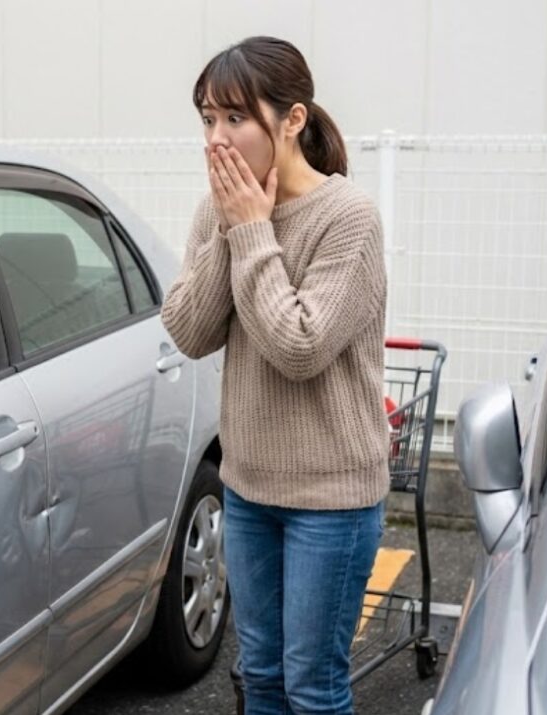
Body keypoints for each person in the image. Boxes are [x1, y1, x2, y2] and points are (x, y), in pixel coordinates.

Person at [161, 36, 389, 715]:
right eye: (208, 118)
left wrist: (252, 233)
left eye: (235, 118)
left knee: (312, 688)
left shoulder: (348, 217)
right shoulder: (219, 211)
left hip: (333, 499)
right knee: (259, 675)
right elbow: (190, 330)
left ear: (292, 120)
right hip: (248, 487)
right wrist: (233, 226)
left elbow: (299, 346)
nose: (216, 138)